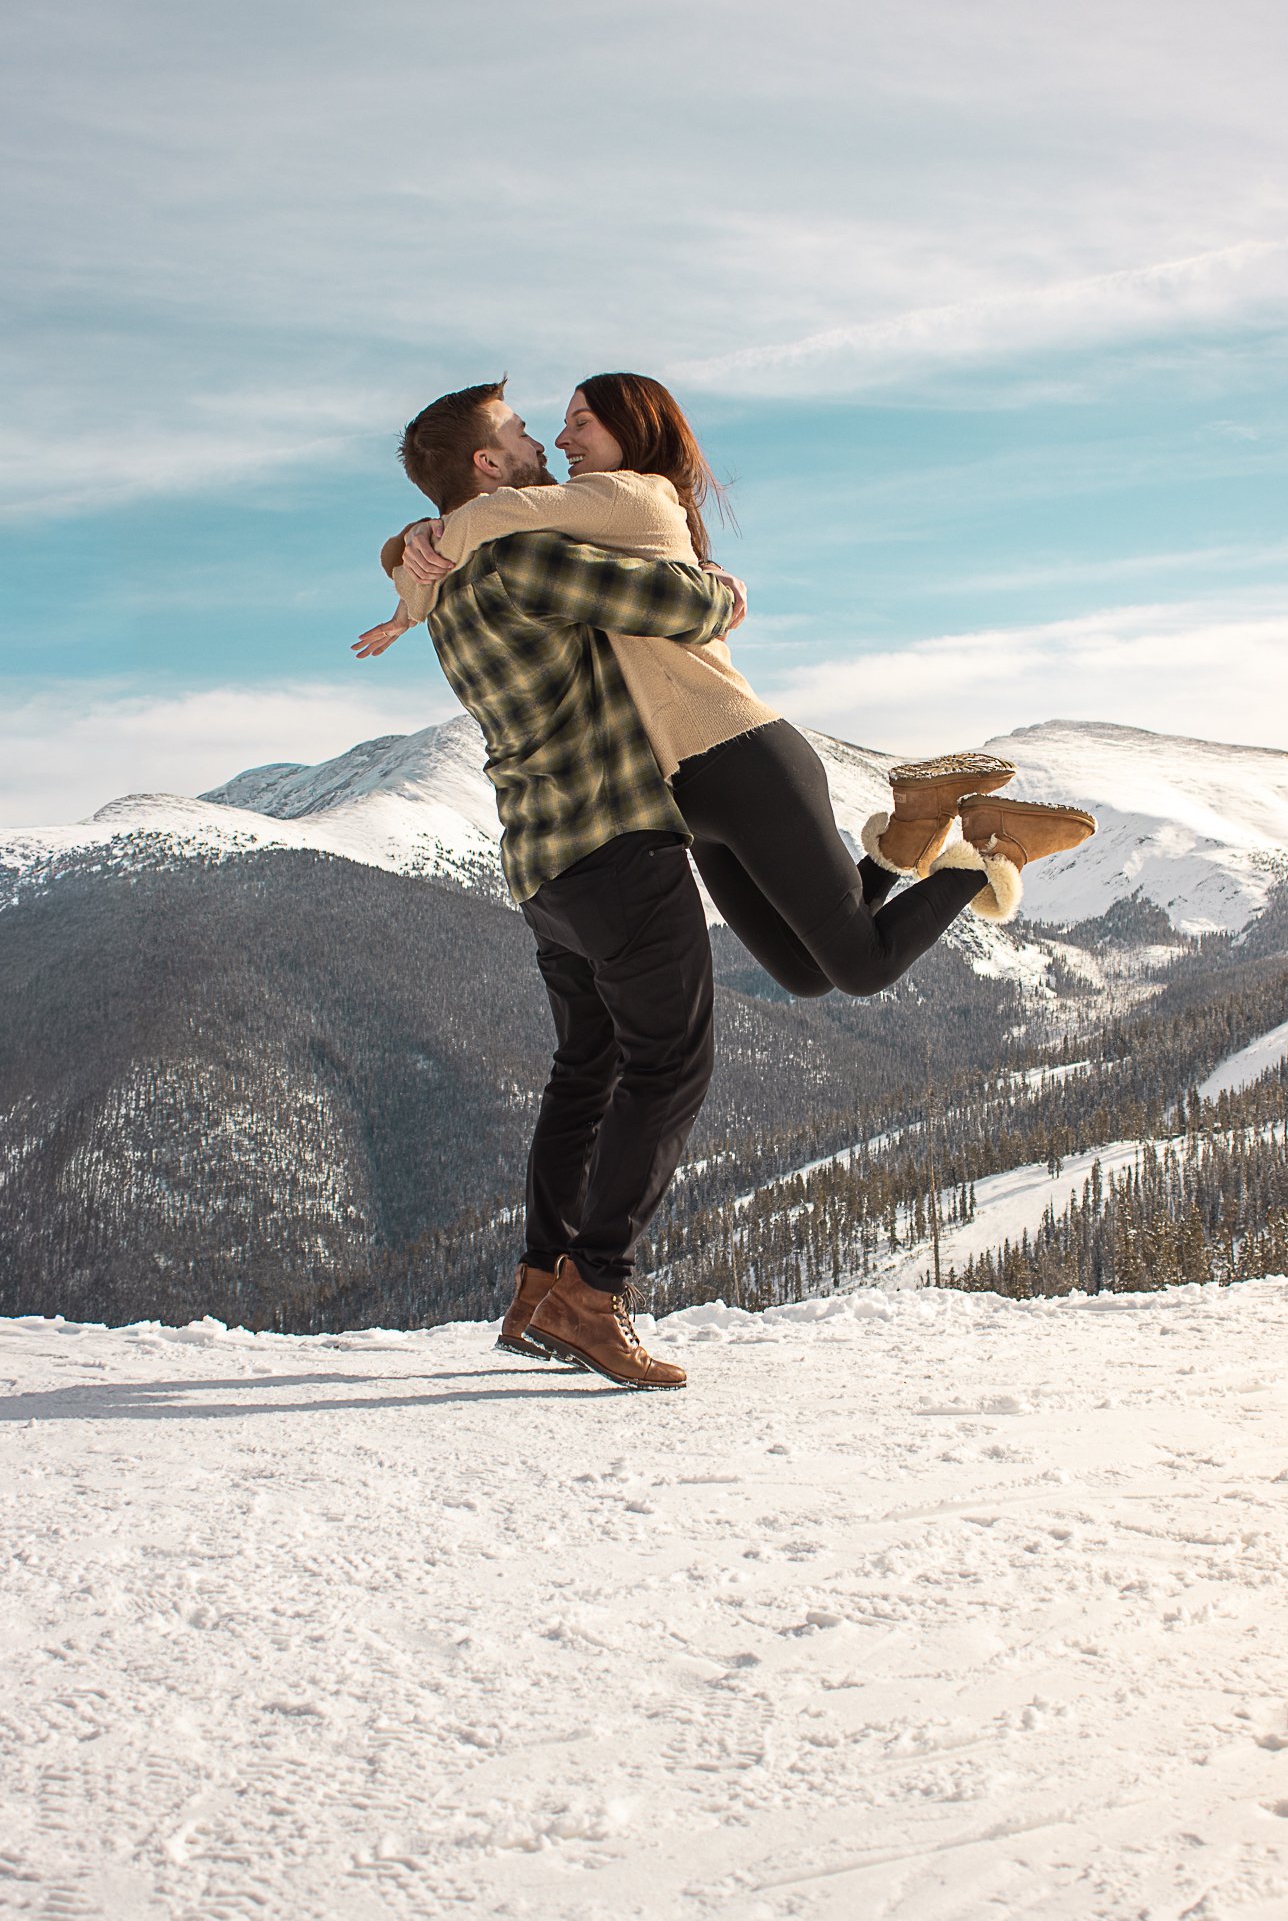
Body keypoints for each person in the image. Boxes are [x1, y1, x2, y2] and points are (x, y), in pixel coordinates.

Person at [362, 374, 1096, 1003]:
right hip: (684, 795)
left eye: (579, 421)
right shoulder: (581, 517)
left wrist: (420, 557)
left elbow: (494, 513)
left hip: (736, 754)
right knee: (807, 976)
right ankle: (912, 824)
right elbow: (497, 520)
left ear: (631, 428)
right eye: (554, 426)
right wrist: (412, 548)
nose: (559, 439)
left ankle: (986, 847)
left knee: (862, 968)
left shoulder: (632, 494)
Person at [370, 379, 755, 1392]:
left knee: (587, 1069)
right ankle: (594, 1294)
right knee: (668, 1065)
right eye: (517, 432)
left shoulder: (443, 574)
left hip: (541, 863)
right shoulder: (523, 551)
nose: (540, 437)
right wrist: (728, 592)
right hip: (619, 842)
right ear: (489, 468)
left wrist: (405, 540)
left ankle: (537, 1289)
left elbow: (414, 551)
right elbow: (674, 604)